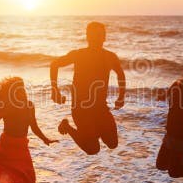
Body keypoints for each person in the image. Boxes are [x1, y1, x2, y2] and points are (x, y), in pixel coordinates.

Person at [50, 22, 126, 155]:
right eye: (93, 35)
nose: (96, 38)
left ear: (104, 37)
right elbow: (54, 64)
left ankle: (93, 130)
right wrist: (54, 89)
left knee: (113, 143)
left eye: (100, 35)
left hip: (100, 107)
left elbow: (120, 74)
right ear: (87, 37)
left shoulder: (110, 57)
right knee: (93, 149)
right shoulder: (79, 55)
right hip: (81, 108)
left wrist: (121, 96)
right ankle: (67, 126)